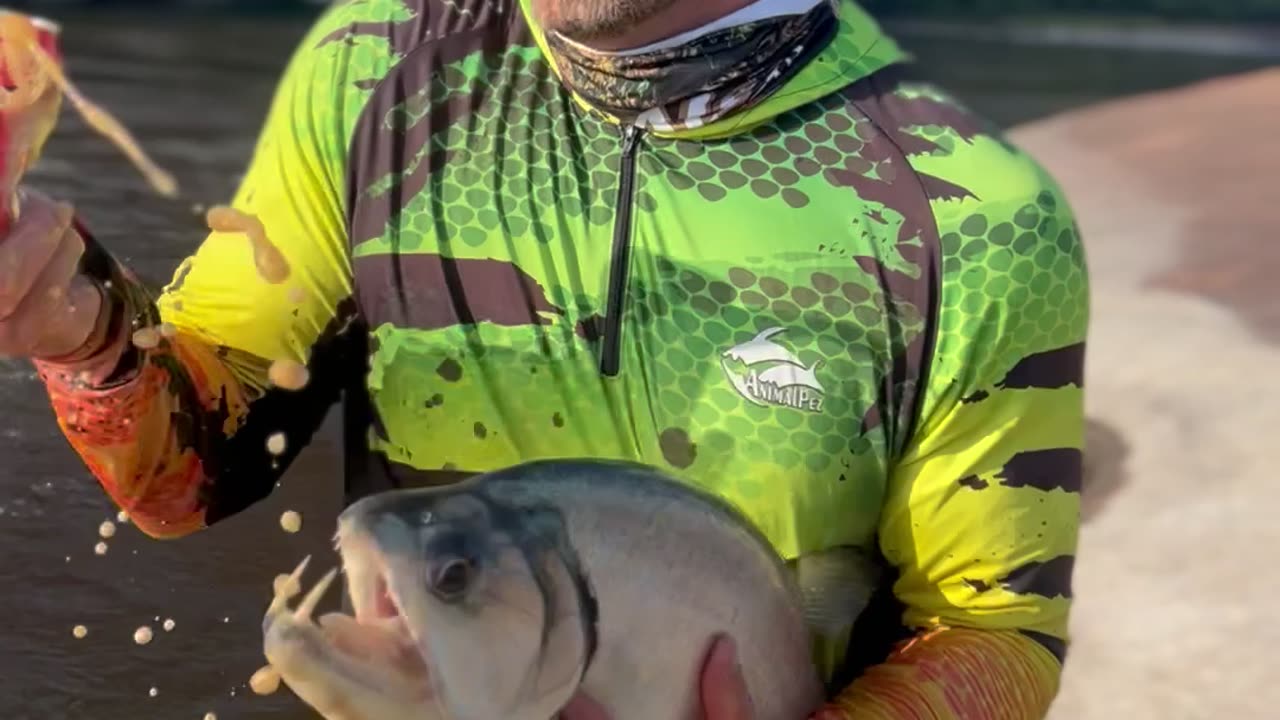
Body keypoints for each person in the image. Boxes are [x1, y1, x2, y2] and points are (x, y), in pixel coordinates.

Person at [0, 0, 1089, 717]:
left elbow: (991, 628)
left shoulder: (974, 217)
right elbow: (195, 466)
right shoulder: (373, 70)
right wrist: (84, 331)